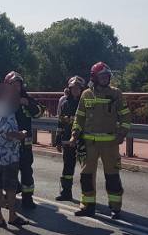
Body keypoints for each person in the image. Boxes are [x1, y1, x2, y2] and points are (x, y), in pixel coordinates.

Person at [70, 62, 132, 219]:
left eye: (106, 76)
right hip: (89, 144)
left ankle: (115, 208)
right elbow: (80, 116)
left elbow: (125, 115)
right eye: (101, 76)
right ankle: (87, 206)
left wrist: (122, 133)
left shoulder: (116, 93)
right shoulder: (86, 94)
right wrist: (75, 133)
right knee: (86, 176)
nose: (105, 79)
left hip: (110, 143)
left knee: (112, 176)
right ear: (94, 77)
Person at [0, 83, 29, 227]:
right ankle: (12, 215)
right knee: (10, 188)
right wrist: (21, 134)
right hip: (8, 156)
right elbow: (9, 133)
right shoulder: (8, 113)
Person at [4, 71, 44, 209]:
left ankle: (28, 199)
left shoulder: (27, 99)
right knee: (10, 172)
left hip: (25, 144)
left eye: (18, 85)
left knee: (27, 171)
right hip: (9, 145)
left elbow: (39, 112)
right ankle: (11, 199)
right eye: (13, 85)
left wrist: (29, 104)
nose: (16, 88)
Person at [55, 76, 86, 201]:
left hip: (83, 140)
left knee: (86, 169)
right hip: (68, 139)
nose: (76, 90)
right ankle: (66, 193)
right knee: (67, 167)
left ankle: (87, 196)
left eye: (78, 88)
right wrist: (58, 140)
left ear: (82, 89)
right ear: (70, 88)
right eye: (74, 88)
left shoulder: (86, 103)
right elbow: (60, 123)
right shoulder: (65, 103)